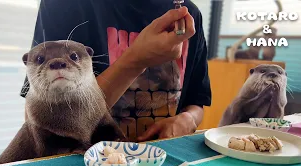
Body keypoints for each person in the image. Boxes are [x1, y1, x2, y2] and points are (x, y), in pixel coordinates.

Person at [20, 0, 211, 142]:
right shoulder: (64, 5)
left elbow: (196, 103)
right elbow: (38, 123)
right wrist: (136, 60)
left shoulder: (190, 15)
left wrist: (188, 119)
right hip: (82, 163)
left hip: (162, 163)